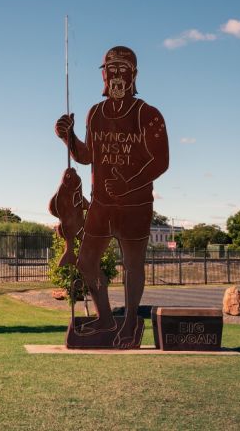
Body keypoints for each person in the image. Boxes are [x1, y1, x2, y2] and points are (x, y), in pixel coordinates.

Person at [55, 46, 169, 348]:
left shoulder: (148, 114)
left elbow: (160, 161)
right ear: (104, 75)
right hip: (103, 203)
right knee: (86, 262)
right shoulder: (96, 113)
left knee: (132, 264)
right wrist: (68, 138)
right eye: (111, 70)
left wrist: (130, 183)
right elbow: (88, 156)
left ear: (133, 75)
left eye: (123, 70)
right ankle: (106, 318)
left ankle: (130, 323)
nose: (117, 76)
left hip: (135, 205)